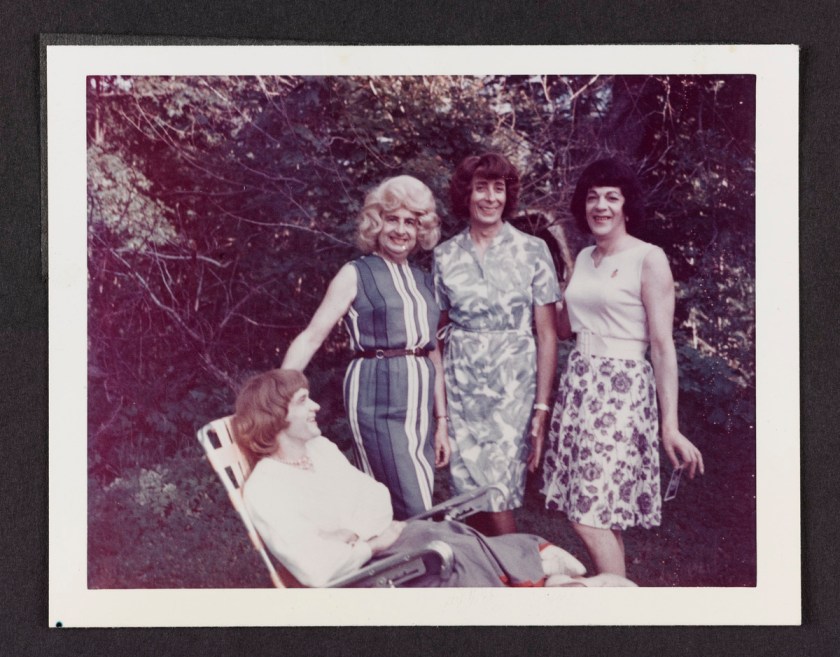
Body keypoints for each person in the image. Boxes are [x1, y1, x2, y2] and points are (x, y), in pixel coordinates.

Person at [233, 369, 633, 588]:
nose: (317, 406)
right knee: (446, 551)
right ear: (276, 415)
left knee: (451, 535)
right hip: (367, 574)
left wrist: (357, 532)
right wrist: (370, 543)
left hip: (387, 541)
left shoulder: (321, 451)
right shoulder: (268, 489)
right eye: (304, 401)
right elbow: (316, 569)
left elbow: (374, 497)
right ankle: (541, 584)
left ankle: (539, 574)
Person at [540, 158, 705, 577]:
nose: (601, 205)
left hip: (621, 390)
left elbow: (662, 345)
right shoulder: (583, 258)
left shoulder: (649, 258)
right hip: (580, 385)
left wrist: (670, 425)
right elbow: (563, 328)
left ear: (626, 206)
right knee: (594, 510)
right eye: (593, 197)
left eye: (612, 197)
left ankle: (616, 604)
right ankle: (617, 599)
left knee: (587, 514)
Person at [281, 175, 450, 520]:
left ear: (422, 229)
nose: (401, 230)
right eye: (392, 219)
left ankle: (392, 568)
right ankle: (425, 561)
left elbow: (432, 353)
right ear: (377, 221)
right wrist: (276, 392)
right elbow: (313, 335)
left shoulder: (423, 279)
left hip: (418, 407)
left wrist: (442, 420)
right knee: (412, 505)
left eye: (411, 222)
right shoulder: (355, 273)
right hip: (377, 395)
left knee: (398, 500)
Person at [433, 153, 560, 536]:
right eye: (481, 187)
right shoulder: (445, 255)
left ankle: (521, 578)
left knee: (498, 487)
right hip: (462, 385)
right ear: (466, 195)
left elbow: (548, 335)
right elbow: (436, 331)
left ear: (508, 195)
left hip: (512, 386)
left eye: (498, 188)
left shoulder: (533, 251)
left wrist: (541, 406)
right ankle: (488, 574)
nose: (490, 197)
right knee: (467, 486)